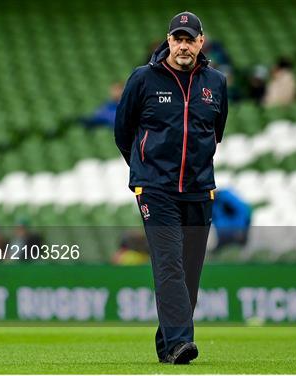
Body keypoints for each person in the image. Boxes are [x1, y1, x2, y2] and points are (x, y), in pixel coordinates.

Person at [115, 11, 228, 364]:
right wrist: (144, 169)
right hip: (155, 188)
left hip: (199, 189)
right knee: (169, 264)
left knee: (189, 270)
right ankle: (181, 342)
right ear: (168, 41)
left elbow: (216, 132)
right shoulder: (143, 80)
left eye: (188, 39)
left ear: (200, 42)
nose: (182, 45)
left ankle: (168, 345)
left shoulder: (217, 83)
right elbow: (123, 131)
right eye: (176, 38)